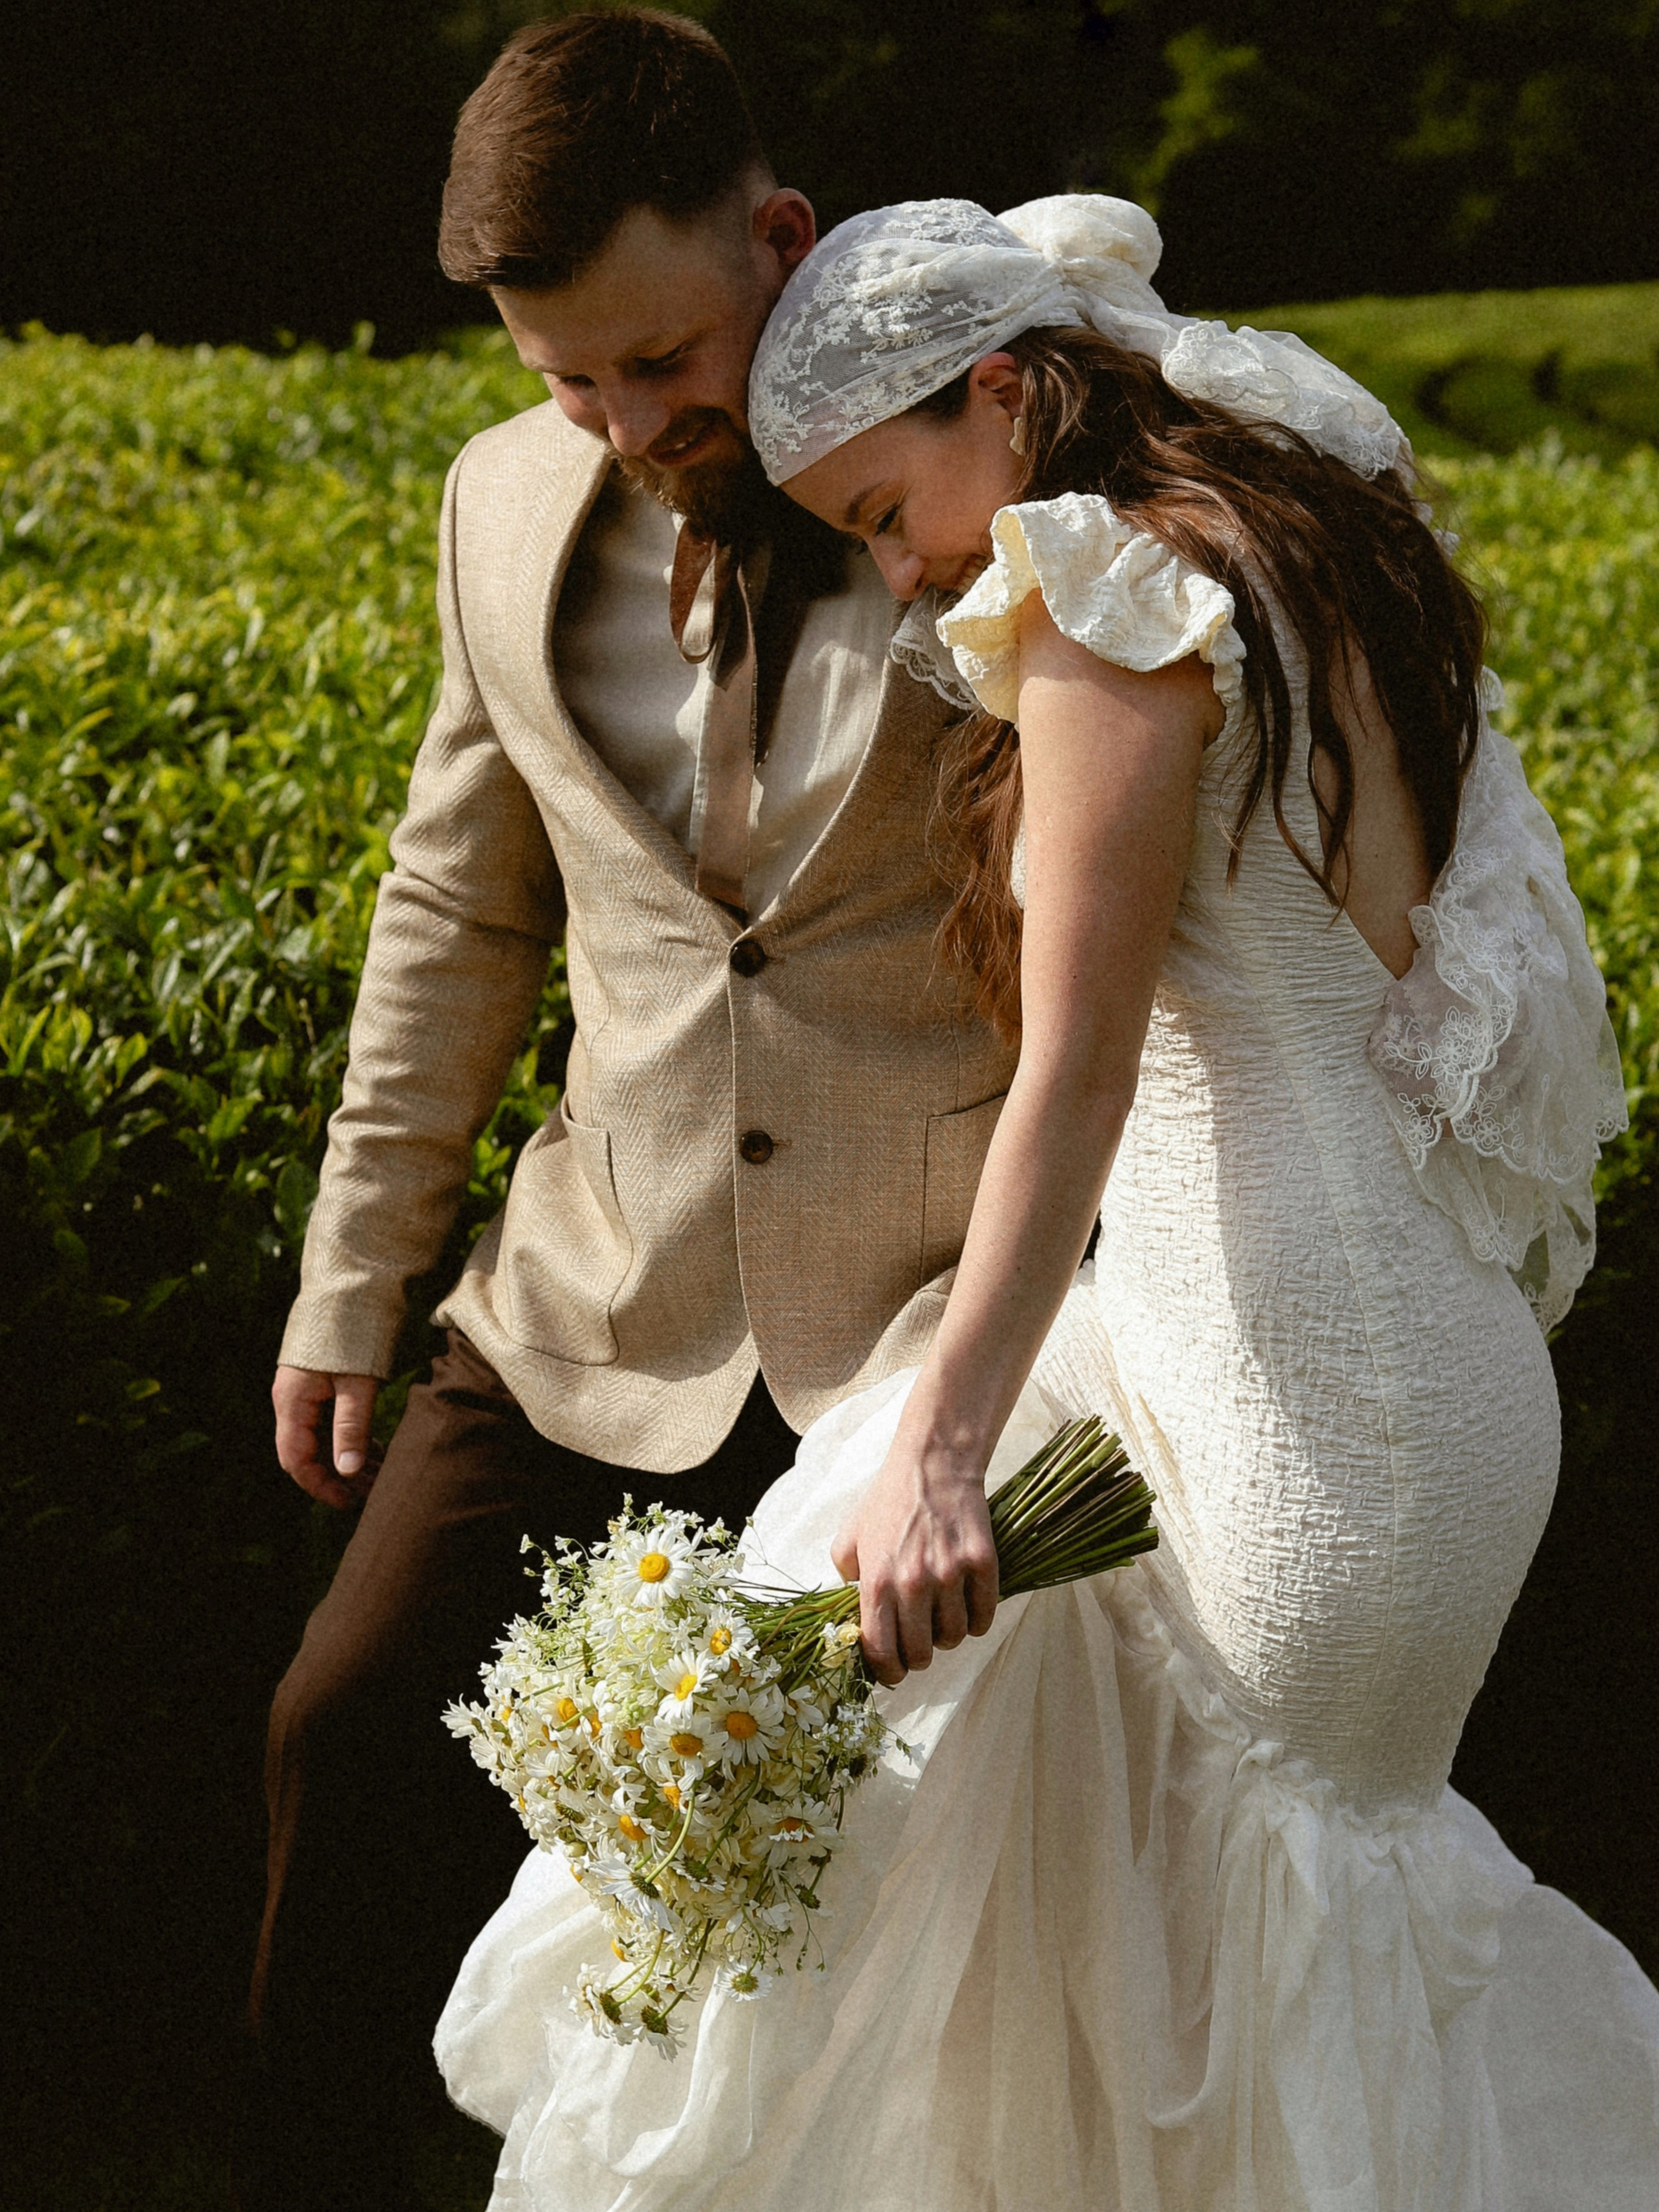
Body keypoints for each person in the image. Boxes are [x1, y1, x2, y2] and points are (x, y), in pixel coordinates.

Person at [435, 197, 1659, 2210]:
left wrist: (945, 1449)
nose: (905, 571)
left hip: (1301, 1396)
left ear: (1007, 390)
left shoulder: (1104, 597)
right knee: (1145, 1945)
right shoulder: (1305, 526)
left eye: (892, 505)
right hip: (1364, 1351)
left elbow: (1081, 1071)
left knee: (1208, 1998)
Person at [240, 21, 1019, 2209]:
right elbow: (452, 908)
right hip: (593, 1288)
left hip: (918, 1324)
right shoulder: (498, 497)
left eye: (662, 360)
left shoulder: (982, 463)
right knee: (346, 1734)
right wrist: (350, 1282)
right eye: (566, 376)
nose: (624, 422)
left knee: (860, 1911)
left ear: (780, 242)